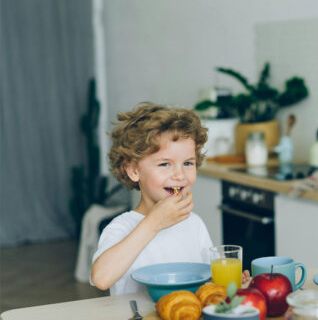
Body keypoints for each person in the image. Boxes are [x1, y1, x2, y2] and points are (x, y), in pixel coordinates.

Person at [91, 102, 249, 295]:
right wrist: (153, 223)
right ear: (133, 170)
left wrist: (229, 282)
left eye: (188, 163)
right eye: (165, 164)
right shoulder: (122, 227)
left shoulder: (194, 224)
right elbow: (101, 278)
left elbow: (209, 281)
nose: (180, 175)